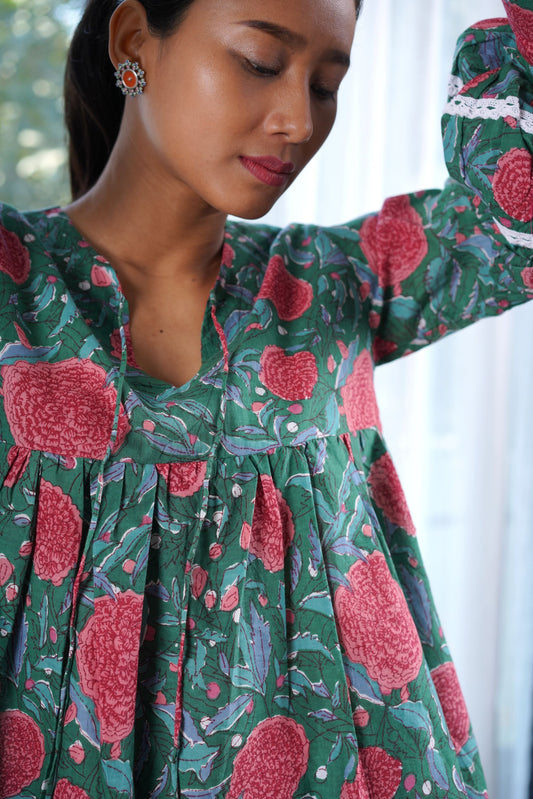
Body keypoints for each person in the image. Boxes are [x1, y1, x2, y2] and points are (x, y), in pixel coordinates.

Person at [0, 0, 531, 796]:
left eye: (325, 85)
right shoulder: (13, 283)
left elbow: (513, 221)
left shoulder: (338, 284)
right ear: (134, 41)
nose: (297, 121)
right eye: (259, 62)